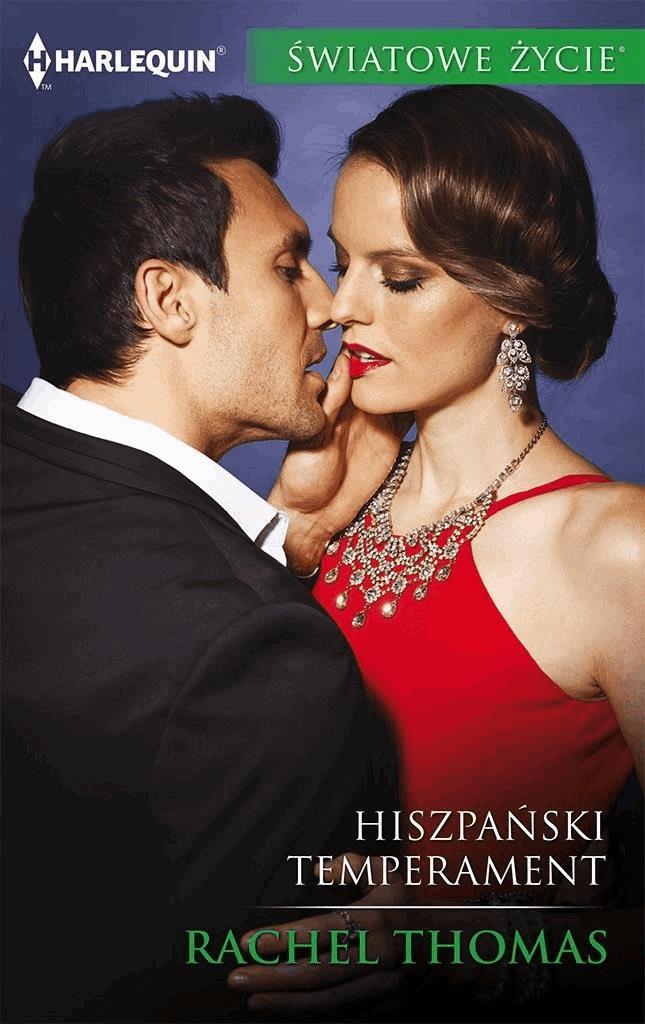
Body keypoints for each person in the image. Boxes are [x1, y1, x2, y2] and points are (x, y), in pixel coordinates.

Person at [231, 85, 644, 1018]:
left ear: (511, 300)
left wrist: (462, 942)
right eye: (341, 263)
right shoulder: (330, 504)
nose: (341, 308)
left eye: (400, 277)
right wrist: (295, 528)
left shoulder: (615, 548)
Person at [0, 94, 398, 1023]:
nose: (329, 306)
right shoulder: (257, 653)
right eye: (288, 266)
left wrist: (283, 535)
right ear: (168, 300)